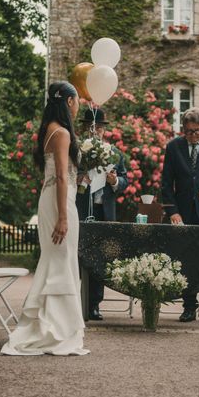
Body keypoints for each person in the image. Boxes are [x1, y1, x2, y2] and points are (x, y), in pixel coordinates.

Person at [1, 81, 89, 356]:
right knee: (61, 260)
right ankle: (55, 331)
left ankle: (51, 325)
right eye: (76, 103)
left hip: (53, 199)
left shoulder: (48, 131)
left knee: (57, 260)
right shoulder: (61, 133)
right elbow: (62, 176)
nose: (77, 108)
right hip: (59, 203)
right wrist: (63, 217)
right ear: (69, 102)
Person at [161, 107, 199, 323]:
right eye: (189, 132)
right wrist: (173, 212)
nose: (194, 136)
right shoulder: (173, 147)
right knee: (185, 261)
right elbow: (166, 184)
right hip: (183, 213)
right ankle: (188, 306)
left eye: (198, 131)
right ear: (183, 129)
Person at [75, 107, 128, 321]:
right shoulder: (77, 149)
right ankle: (76, 303)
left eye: (98, 127)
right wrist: (80, 178)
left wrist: (114, 181)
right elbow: (68, 174)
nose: (95, 131)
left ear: (104, 130)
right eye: (91, 127)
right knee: (78, 256)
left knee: (100, 259)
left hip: (103, 211)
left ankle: (94, 305)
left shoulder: (113, 152)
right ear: (84, 128)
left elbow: (124, 180)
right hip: (80, 209)